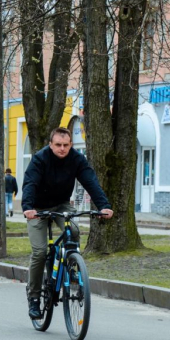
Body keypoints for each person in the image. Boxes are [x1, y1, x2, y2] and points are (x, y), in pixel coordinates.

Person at [22, 127, 113, 320]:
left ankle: (71, 267)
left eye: (66, 145)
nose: (62, 149)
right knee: (39, 252)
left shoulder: (76, 159)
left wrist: (104, 206)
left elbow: (91, 182)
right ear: (50, 144)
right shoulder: (40, 159)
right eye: (58, 145)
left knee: (73, 229)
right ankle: (34, 297)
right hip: (37, 208)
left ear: (71, 145)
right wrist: (28, 207)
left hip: (61, 204)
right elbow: (30, 183)